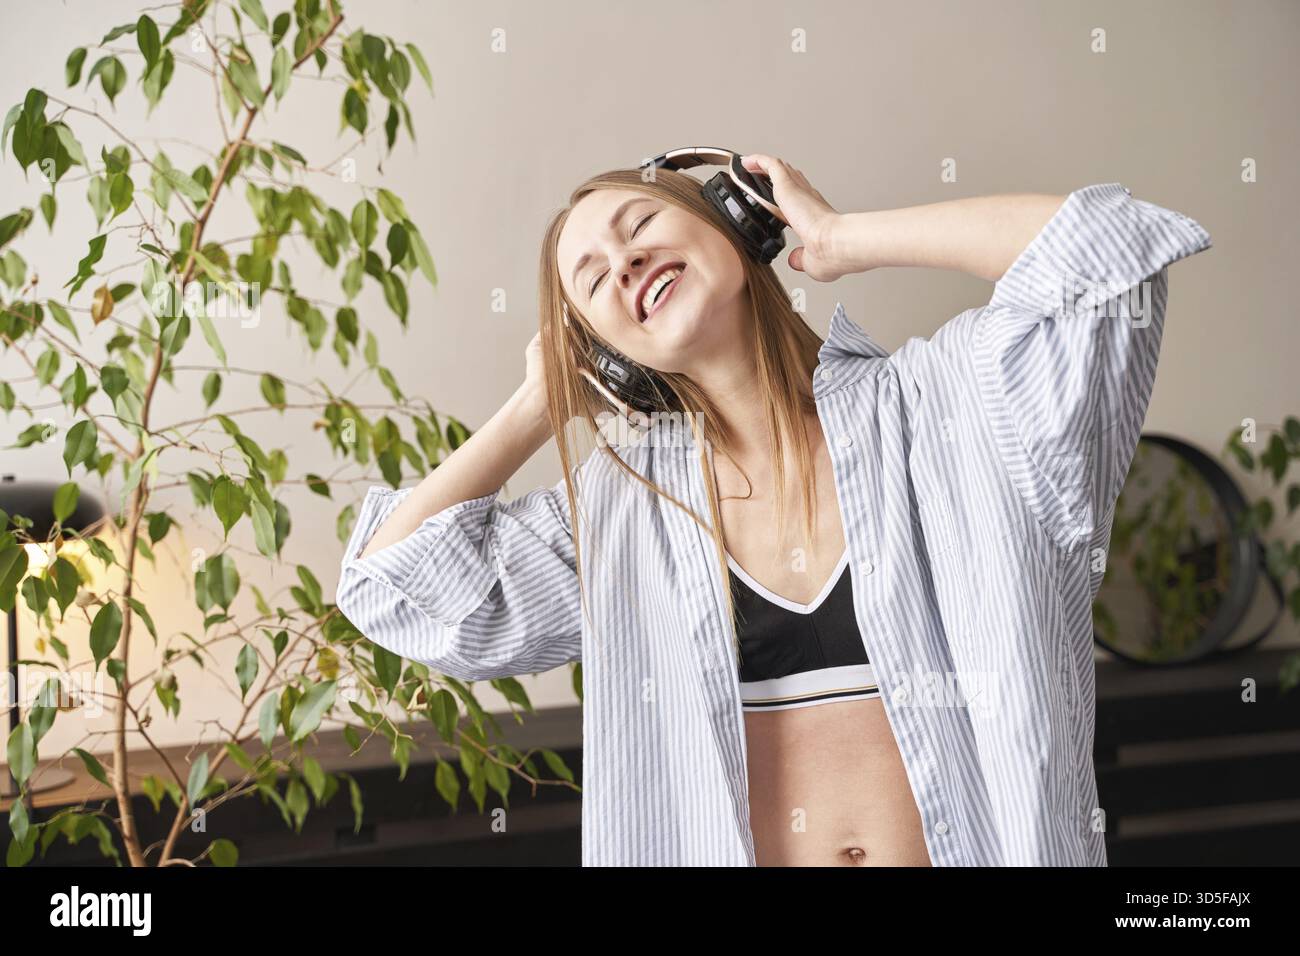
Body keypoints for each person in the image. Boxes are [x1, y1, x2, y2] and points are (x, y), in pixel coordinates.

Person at [334, 157, 1212, 866]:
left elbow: (1111, 252)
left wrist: (842, 236)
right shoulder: (625, 512)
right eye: (592, 278)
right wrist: (541, 401)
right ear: (602, 349)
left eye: (638, 226)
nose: (624, 263)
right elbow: (395, 588)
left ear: (736, 217)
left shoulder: (948, 411)